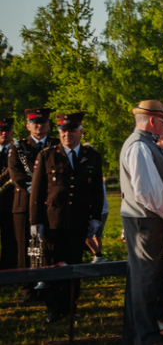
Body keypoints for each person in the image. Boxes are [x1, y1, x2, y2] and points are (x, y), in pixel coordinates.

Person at [29, 112, 105, 322]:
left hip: (79, 220)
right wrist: (36, 221)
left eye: (72, 131)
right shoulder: (47, 155)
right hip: (53, 220)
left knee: (74, 264)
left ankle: (71, 307)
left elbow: (97, 190)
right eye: (63, 131)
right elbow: (37, 191)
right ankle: (53, 308)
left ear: (80, 132)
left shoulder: (91, 155)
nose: (67, 135)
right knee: (53, 264)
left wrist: (95, 217)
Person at [119, 101, 163, 345]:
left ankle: (137, 334)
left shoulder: (142, 144)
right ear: (152, 121)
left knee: (142, 278)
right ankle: (146, 337)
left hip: (144, 218)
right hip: (146, 220)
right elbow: (147, 189)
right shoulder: (140, 146)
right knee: (146, 278)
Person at [9, 106, 57, 302]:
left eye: (43, 123)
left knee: (48, 246)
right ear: (28, 126)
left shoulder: (55, 145)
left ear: (48, 125)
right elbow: (17, 176)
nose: (40, 126)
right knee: (25, 247)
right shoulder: (18, 147)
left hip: (49, 205)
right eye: (35, 123)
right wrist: (38, 192)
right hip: (24, 205)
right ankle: (27, 288)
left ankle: (47, 284)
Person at [0, 118, 14, 272]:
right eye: (1, 131)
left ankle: (8, 271)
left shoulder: (18, 150)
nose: (4, 133)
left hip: (12, 203)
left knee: (10, 239)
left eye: (7, 130)